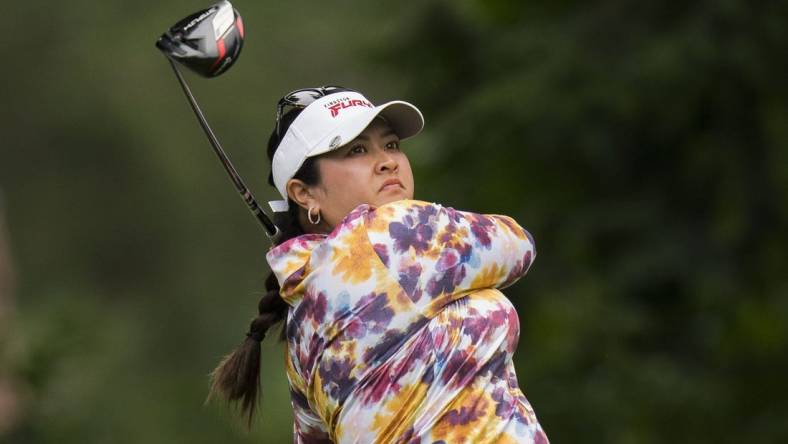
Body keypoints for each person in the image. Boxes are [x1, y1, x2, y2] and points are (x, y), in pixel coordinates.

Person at [209, 86, 549, 443]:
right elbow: (518, 243)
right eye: (356, 150)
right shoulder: (393, 232)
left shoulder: (301, 322)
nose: (388, 161)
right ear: (304, 193)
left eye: (390, 145)